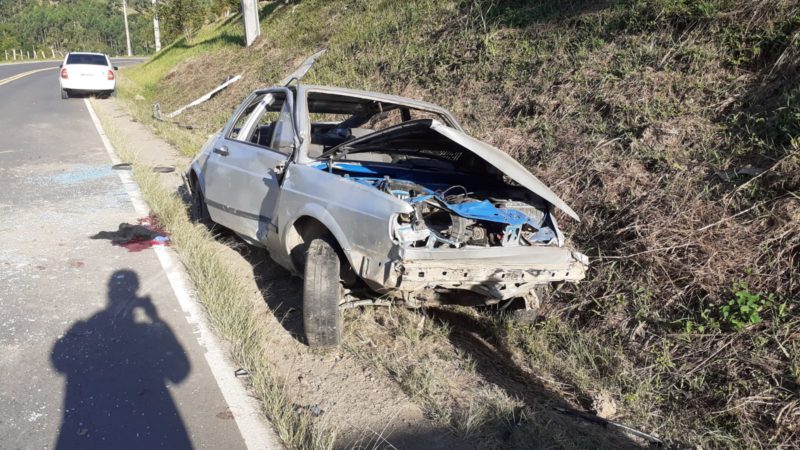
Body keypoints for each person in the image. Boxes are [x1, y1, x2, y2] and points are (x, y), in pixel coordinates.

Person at [51, 269, 191, 449]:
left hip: (91, 419)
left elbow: (59, 361)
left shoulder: (91, 322)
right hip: (149, 424)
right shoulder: (143, 330)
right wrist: (155, 318)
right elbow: (179, 373)